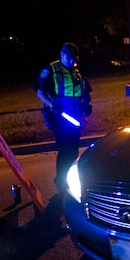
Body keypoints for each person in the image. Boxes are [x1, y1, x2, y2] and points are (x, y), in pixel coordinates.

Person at [34, 42, 93, 193]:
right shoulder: (51, 69)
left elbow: (85, 89)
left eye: (75, 59)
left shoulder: (76, 70)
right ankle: (61, 180)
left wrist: (86, 104)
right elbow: (40, 92)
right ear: (63, 55)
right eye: (71, 59)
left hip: (76, 115)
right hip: (60, 116)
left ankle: (70, 179)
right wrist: (52, 106)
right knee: (64, 149)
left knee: (73, 149)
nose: (73, 62)